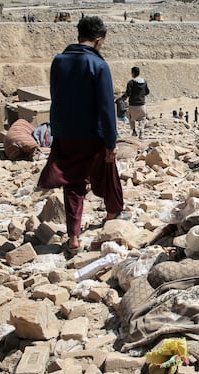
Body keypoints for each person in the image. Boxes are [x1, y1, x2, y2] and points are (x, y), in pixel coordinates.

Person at [37, 16, 126, 255]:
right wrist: (111, 141)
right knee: (108, 167)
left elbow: (56, 96)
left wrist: (57, 130)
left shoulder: (58, 61)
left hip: (65, 132)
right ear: (98, 40)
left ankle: (74, 235)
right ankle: (112, 210)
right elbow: (107, 106)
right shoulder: (98, 65)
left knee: (73, 183)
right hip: (92, 133)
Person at [120, 66, 150, 139]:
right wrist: (141, 95)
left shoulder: (131, 82)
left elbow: (128, 93)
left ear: (133, 73)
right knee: (142, 118)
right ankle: (141, 131)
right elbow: (147, 92)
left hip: (133, 105)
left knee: (130, 118)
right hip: (142, 104)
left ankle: (134, 131)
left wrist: (122, 98)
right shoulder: (144, 81)